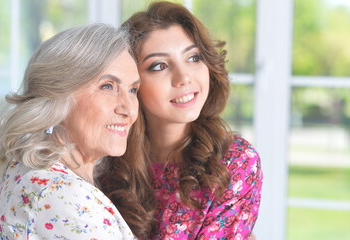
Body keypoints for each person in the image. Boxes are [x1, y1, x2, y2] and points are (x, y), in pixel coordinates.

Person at [98, 1, 263, 240]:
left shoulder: (234, 162)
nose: (183, 77)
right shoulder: (106, 160)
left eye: (193, 58)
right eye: (159, 66)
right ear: (132, 83)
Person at [0, 23, 148, 239]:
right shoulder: (64, 195)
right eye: (108, 86)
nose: (129, 109)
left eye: (133, 90)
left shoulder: (25, 166)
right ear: (59, 95)